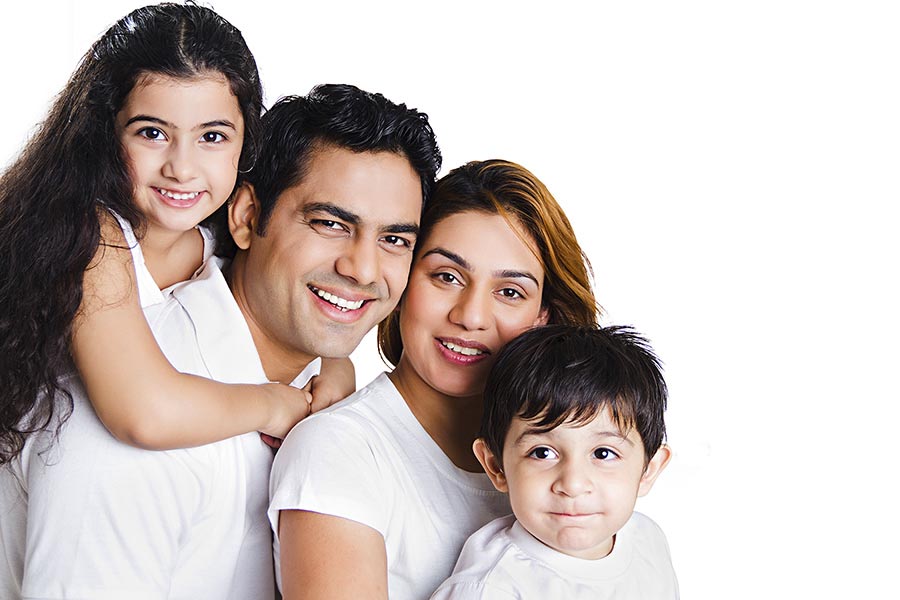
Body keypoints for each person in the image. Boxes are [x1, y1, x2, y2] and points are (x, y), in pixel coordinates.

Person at [0, 84, 441, 599]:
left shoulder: (329, 396)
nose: (363, 268)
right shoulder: (129, 426)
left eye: (394, 240)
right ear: (247, 217)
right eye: (329, 223)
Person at [0, 3, 351, 465]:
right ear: (104, 134)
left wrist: (336, 367)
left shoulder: (221, 239)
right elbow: (144, 413)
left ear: (247, 139)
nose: (181, 168)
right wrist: (275, 404)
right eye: (152, 133)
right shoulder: (90, 235)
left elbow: (287, 307)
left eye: (212, 137)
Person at [269, 159, 600, 600]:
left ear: (545, 317)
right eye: (446, 277)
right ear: (404, 277)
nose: (470, 316)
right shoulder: (339, 451)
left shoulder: (570, 465)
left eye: (509, 292)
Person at [431, 324, 677, 599]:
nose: (572, 484)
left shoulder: (647, 541)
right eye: (542, 453)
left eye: (603, 453)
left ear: (648, 470)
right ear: (496, 466)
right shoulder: (490, 589)